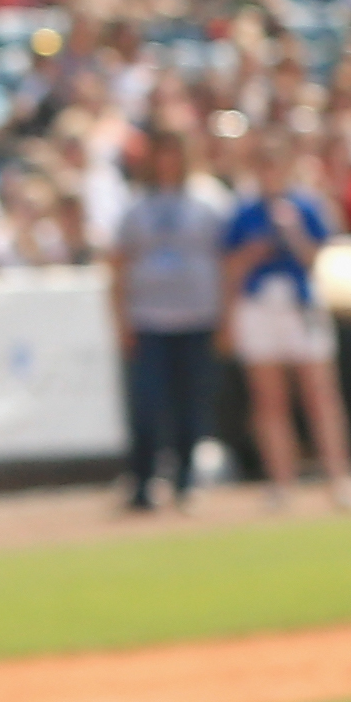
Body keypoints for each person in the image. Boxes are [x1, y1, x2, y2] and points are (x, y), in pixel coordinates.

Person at [220, 130, 351, 513]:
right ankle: (282, 482)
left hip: (300, 305)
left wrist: (292, 233)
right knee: (269, 400)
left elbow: (316, 259)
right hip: (260, 305)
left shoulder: (307, 206)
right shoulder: (243, 212)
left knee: (319, 393)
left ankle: (339, 478)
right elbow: (229, 266)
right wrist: (252, 254)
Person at [107, 121, 225, 513]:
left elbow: (226, 262)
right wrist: (121, 320)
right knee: (147, 402)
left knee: (192, 402)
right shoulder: (135, 206)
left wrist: (227, 316)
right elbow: (119, 267)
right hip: (149, 318)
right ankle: (142, 480)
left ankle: (186, 478)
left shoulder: (209, 200)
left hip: (196, 315)